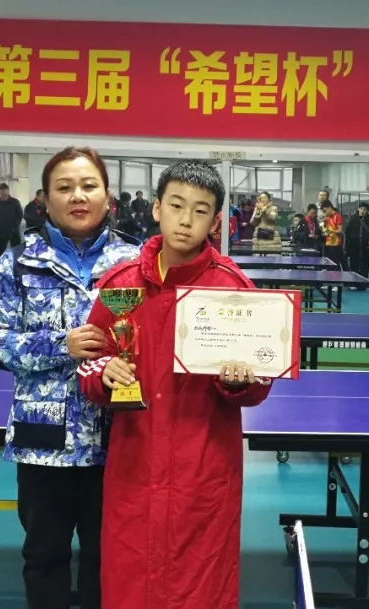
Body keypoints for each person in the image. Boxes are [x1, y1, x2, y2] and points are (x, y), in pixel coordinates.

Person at [77, 160, 274, 609]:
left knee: (201, 587)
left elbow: (262, 377)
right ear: (156, 209)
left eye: (200, 211)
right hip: (135, 467)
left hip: (204, 473)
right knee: (130, 585)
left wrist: (240, 383)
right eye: (176, 206)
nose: (186, 220)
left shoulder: (234, 289)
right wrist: (104, 373)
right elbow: (89, 363)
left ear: (216, 221)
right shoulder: (119, 286)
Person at [0, 146, 140, 609]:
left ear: (108, 196)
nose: (78, 196)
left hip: (121, 437)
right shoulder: (18, 262)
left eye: (89, 186)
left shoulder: (137, 263)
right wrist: (58, 345)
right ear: (45, 200)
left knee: (109, 558)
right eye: (64, 188)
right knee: (44, 556)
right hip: (43, 439)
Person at [344, 202, 369, 288]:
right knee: (354, 267)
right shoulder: (352, 220)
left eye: (365, 209)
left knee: (365, 268)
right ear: (358, 209)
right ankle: (353, 283)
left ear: (368, 211)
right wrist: (346, 248)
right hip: (354, 248)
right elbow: (346, 234)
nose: (362, 211)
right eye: (361, 209)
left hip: (366, 249)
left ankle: (363, 285)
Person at [0, 182, 23, 262]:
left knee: (17, 250)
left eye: (4, 191)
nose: (2, 194)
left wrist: (15, 225)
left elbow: (20, 214)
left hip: (14, 230)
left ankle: (18, 265)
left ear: (8, 191)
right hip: (2, 231)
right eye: (1, 192)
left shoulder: (15, 202)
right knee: (0, 250)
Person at [320, 200, 345, 268]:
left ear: (330, 207)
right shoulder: (327, 218)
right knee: (328, 265)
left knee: (335, 265)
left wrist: (331, 231)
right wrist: (322, 225)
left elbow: (340, 231)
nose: (324, 213)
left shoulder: (338, 216)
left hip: (336, 245)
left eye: (325, 211)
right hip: (328, 244)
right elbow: (325, 231)